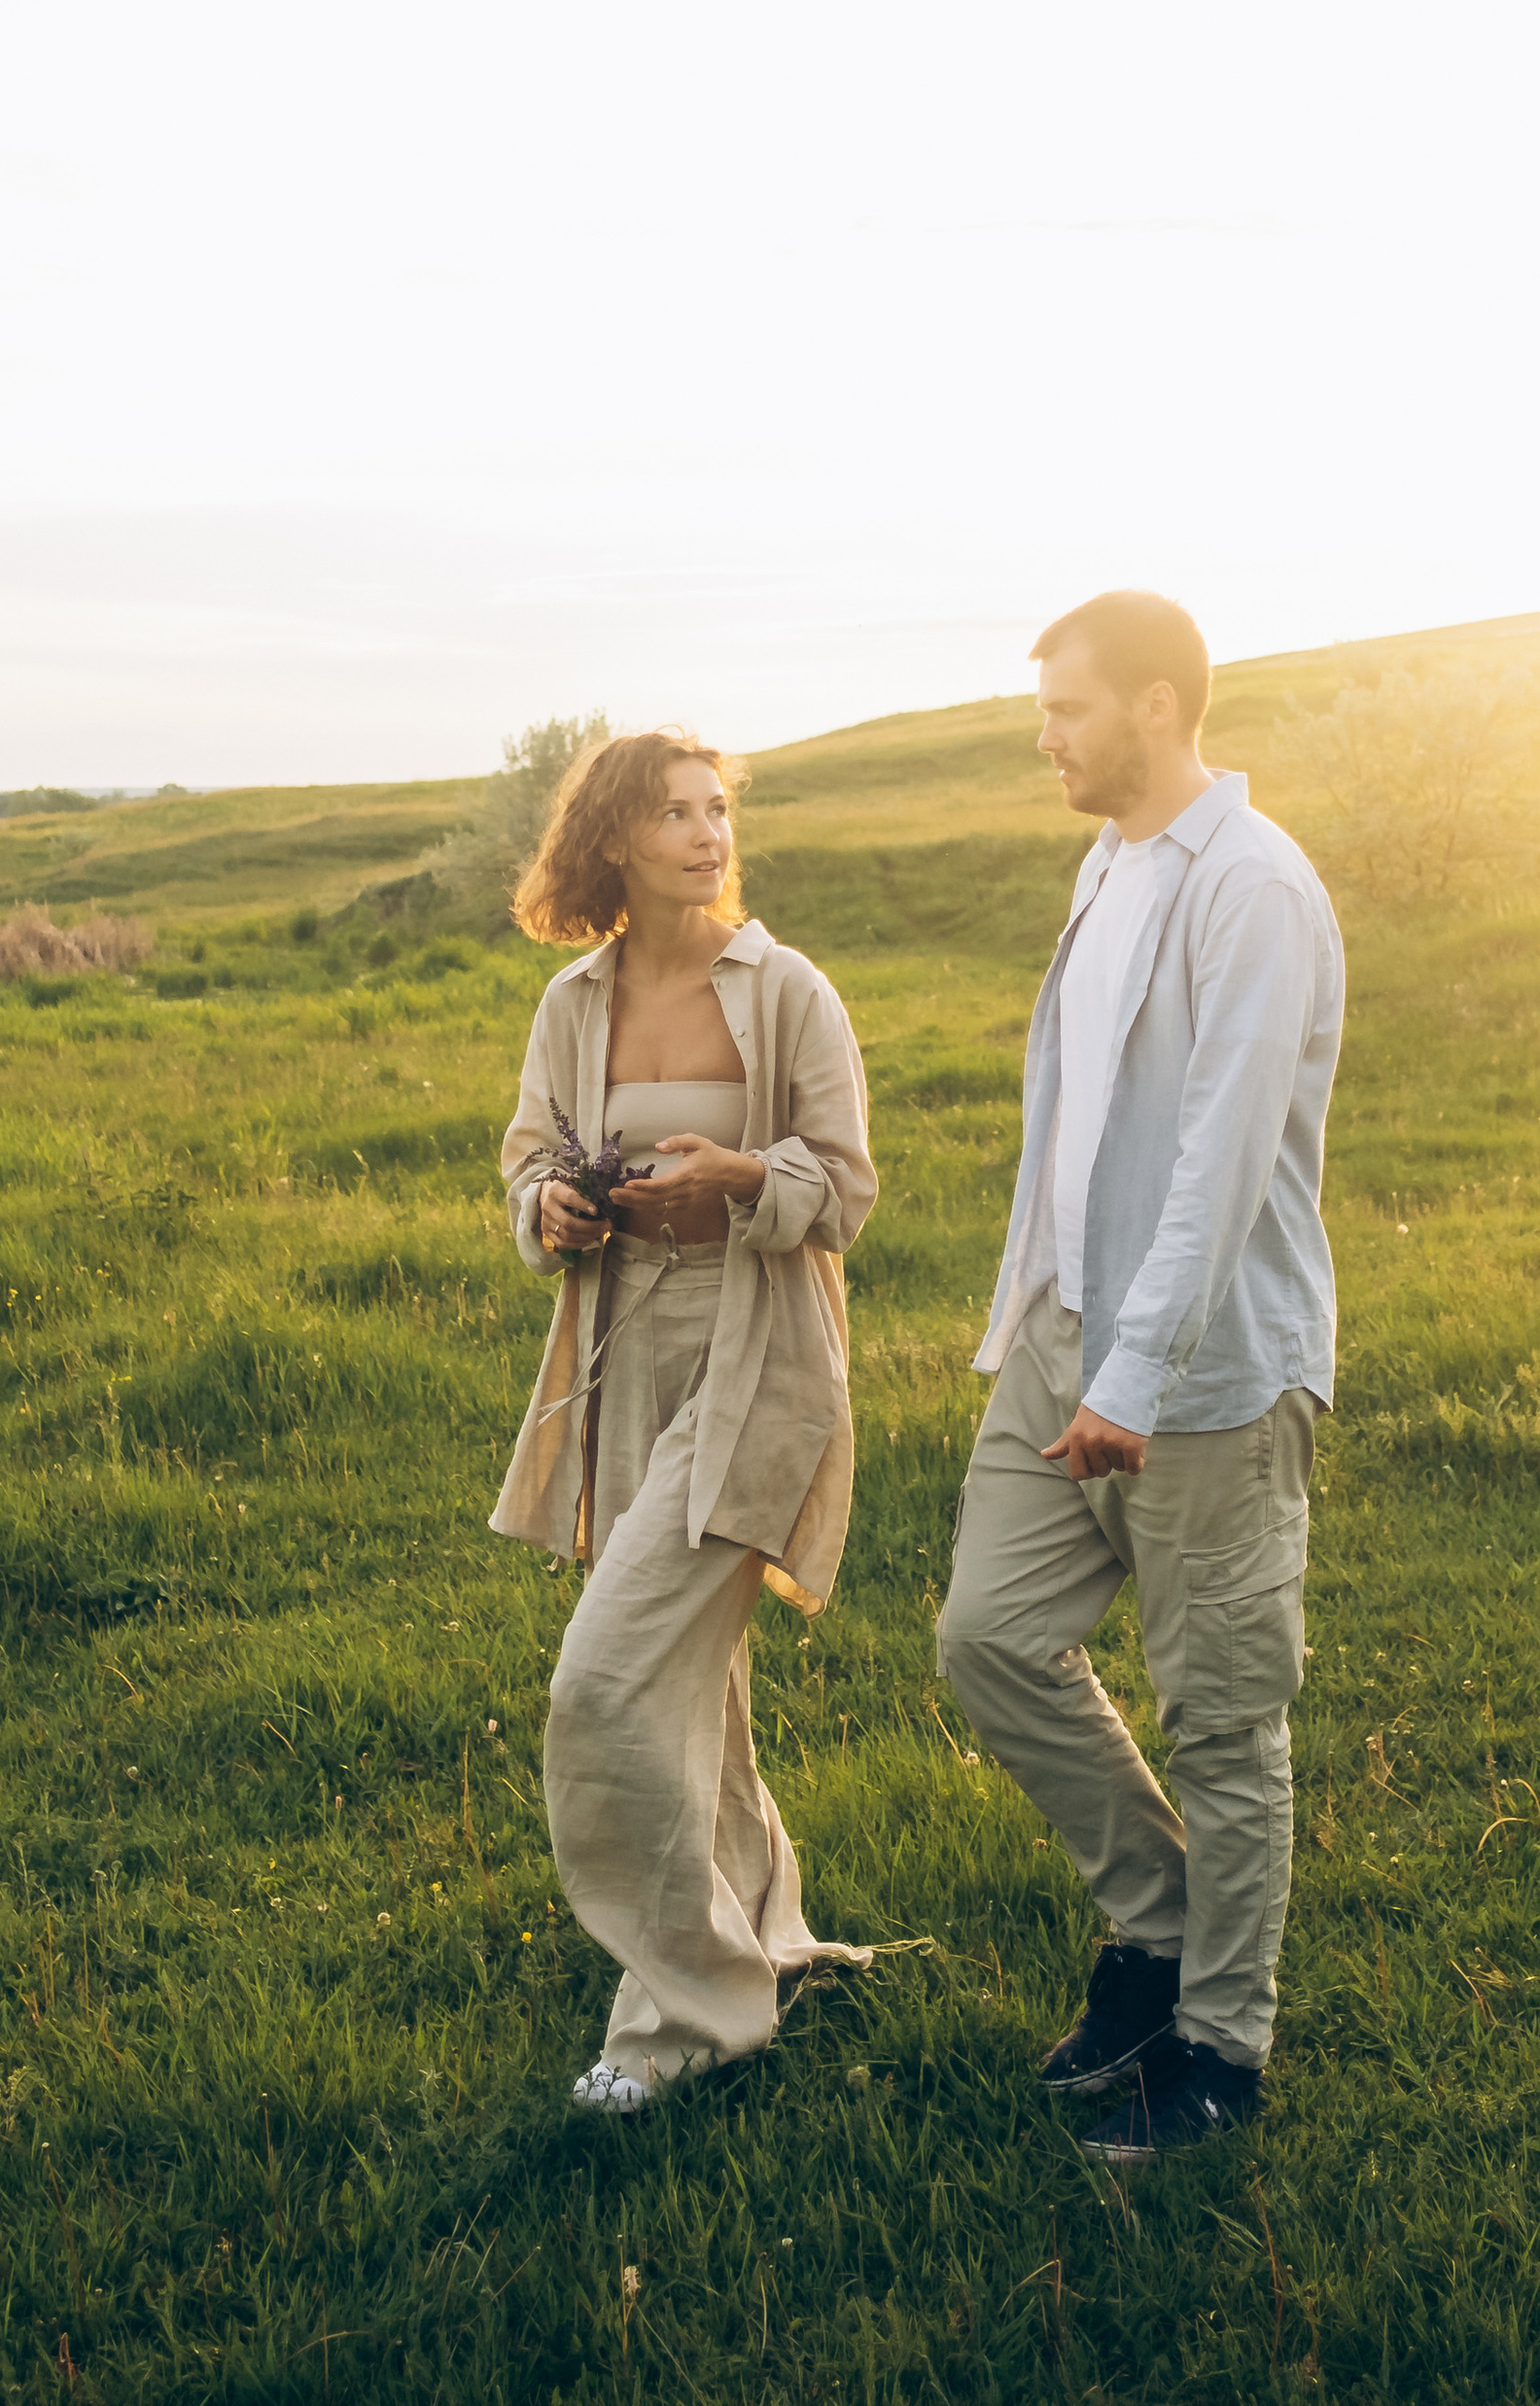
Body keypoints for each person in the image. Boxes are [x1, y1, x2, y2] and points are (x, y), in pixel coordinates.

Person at [937, 590, 1345, 2166]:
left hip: (1209, 1373)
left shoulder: (1254, 890)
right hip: (1064, 1340)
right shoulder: (1107, 866)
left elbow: (1220, 1165)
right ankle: (1159, 1925)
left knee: (1224, 1716)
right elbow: (1078, 1132)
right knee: (989, 1636)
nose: (1046, 734)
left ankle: (1223, 2044)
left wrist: (1138, 1376)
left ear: (1161, 707)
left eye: (1068, 708)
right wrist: (1041, 1327)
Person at [491, 726, 876, 2112]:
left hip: (758, 1356)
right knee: (693, 1679)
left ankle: (682, 2019)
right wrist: (556, 1205)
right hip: (622, 1361)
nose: (708, 833)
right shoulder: (571, 1005)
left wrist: (737, 1176)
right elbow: (528, 1163)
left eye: (718, 809)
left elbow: (844, 1186)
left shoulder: (788, 993)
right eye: (674, 812)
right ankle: (759, 1937)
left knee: (608, 1683)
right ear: (615, 840)